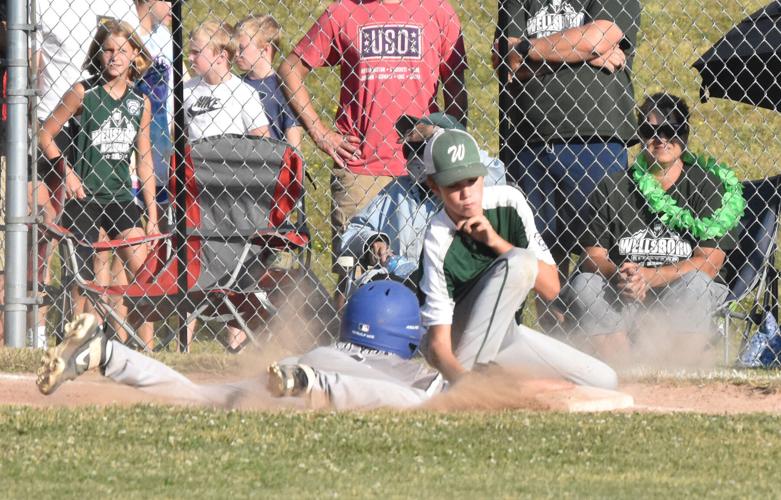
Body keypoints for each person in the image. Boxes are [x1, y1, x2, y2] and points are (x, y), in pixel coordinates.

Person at [278, 0, 468, 302]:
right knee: (352, 276)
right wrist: (320, 133)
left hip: (421, 173)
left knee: (428, 271)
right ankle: (346, 346)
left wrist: (448, 148)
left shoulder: (438, 11)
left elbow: (455, 88)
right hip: (359, 169)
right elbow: (290, 69)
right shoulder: (343, 11)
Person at [37, 281, 441, 410]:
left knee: (198, 397)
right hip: (321, 381)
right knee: (417, 405)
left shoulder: (324, 350)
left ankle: (106, 352)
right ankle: (311, 383)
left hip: (301, 367)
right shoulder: (415, 370)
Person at [417, 129, 617, 388]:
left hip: (506, 336)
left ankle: (493, 379)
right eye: (453, 186)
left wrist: (494, 241)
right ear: (434, 186)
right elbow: (437, 346)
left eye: (471, 180)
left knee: (603, 379)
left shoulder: (509, 203)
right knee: (519, 261)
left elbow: (552, 287)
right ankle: (459, 386)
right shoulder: (437, 240)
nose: (467, 194)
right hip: (460, 347)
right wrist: (464, 380)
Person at [559, 93, 743, 363]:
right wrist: (621, 276)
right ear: (640, 135)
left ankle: (677, 374)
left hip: (681, 291)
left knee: (696, 284)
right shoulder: (613, 186)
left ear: (685, 135)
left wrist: (651, 276)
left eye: (671, 130)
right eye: (650, 130)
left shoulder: (709, 186)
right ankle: (625, 372)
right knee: (585, 283)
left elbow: (709, 263)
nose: (661, 138)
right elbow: (592, 256)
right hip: (624, 292)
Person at [495, 0, 641, 277]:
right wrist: (582, 54)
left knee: (601, 252)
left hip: (596, 137)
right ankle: (551, 323)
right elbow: (504, 60)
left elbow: (600, 37)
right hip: (528, 140)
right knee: (544, 255)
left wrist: (526, 48)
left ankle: (602, 322)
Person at [38, 20, 158, 347]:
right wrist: (67, 172)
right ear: (99, 54)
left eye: (122, 50)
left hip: (120, 197)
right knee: (85, 279)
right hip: (85, 198)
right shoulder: (83, 93)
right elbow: (45, 134)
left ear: (135, 54)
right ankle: (78, 346)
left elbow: (144, 158)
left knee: (143, 268)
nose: (114, 57)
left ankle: (143, 348)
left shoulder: (139, 103)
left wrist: (152, 213)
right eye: (107, 50)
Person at [338, 113, 504, 283]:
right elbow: (353, 230)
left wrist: (451, 137)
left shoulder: (471, 189)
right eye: (412, 149)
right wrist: (372, 241)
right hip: (399, 287)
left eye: (426, 147)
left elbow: (497, 175)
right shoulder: (399, 190)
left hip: (452, 286)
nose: (416, 156)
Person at [184, 19, 270, 141]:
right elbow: (183, 133)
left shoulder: (244, 93)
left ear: (221, 56)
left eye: (196, 52)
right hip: (196, 158)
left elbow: (262, 141)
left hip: (233, 158)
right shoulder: (186, 89)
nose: (190, 57)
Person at [234, 14, 303, 150]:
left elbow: (294, 142)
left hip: (272, 164)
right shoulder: (233, 85)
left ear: (265, 49)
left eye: (241, 48)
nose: (236, 53)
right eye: (234, 47)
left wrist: (293, 168)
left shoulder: (284, 88)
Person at [135, 0, 174, 213]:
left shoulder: (165, 37)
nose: (175, 6)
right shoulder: (126, 32)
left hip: (159, 140)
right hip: (129, 137)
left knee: (160, 215)